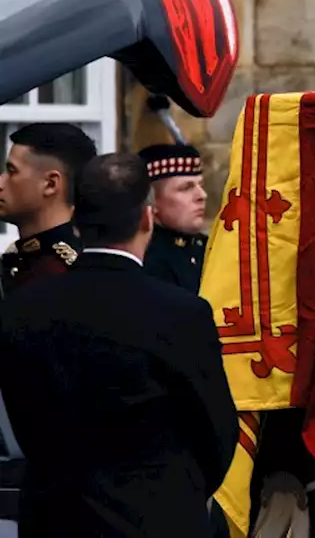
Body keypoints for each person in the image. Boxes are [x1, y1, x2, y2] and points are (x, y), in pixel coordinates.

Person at [0, 152, 238, 537]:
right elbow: (217, 430)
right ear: (147, 218)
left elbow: (25, 419)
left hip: (56, 518)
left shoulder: (22, 308)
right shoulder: (181, 313)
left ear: (75, 224)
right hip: (158, 516)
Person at [0, 122, 97, 297]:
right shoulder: (18, 259)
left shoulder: (68, 274)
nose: (1, 183)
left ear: (50, 184)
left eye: (12, 171)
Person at [138, 142, 209, 293]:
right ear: (152, 201)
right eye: (186, 188)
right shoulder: (146, 258)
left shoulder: (210, 248)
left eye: (201, 186)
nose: (202, 195)